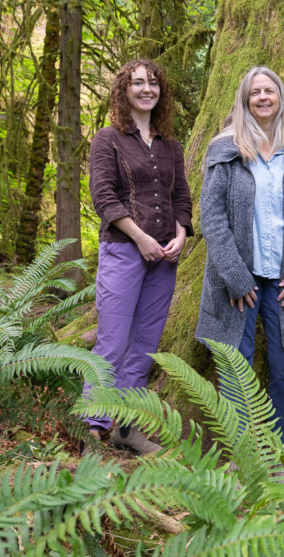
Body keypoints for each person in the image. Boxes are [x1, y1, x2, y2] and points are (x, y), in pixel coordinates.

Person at [195, 66, 284, 444]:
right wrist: (235, 276)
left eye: (270, 90)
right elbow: (212, 217)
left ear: (281, 97)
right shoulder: (225, 150)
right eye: (256, 92)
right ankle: (242, 456)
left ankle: (282, 452)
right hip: (238, 281)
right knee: (237, 367)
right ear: (245, 100)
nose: (264, 97)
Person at [85, 59, 193, 455]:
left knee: (145, 345)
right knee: (112, 343)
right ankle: (92, 428)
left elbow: (181, 195)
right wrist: (140, 237)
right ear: (124, 90)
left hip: (164, 259)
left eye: (153, 83)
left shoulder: (171, 145)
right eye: (137, 83)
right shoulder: (108, 139)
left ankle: (127, 429)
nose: (147, 89)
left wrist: (181, 234)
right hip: (123, 251)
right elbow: (104, 196)